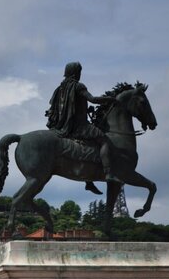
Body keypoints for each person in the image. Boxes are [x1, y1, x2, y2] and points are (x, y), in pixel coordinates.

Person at [46, 61, 118, 193]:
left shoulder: (59, 89)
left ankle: (88, 181)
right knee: (104, 141)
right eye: (79, 72)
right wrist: (111, 99)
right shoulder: (78, 86)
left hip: (61, 126)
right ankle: (109, 173)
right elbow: (93, 99)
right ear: (75, 73)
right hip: (79, 126)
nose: (80, 74)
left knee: (87, 147)